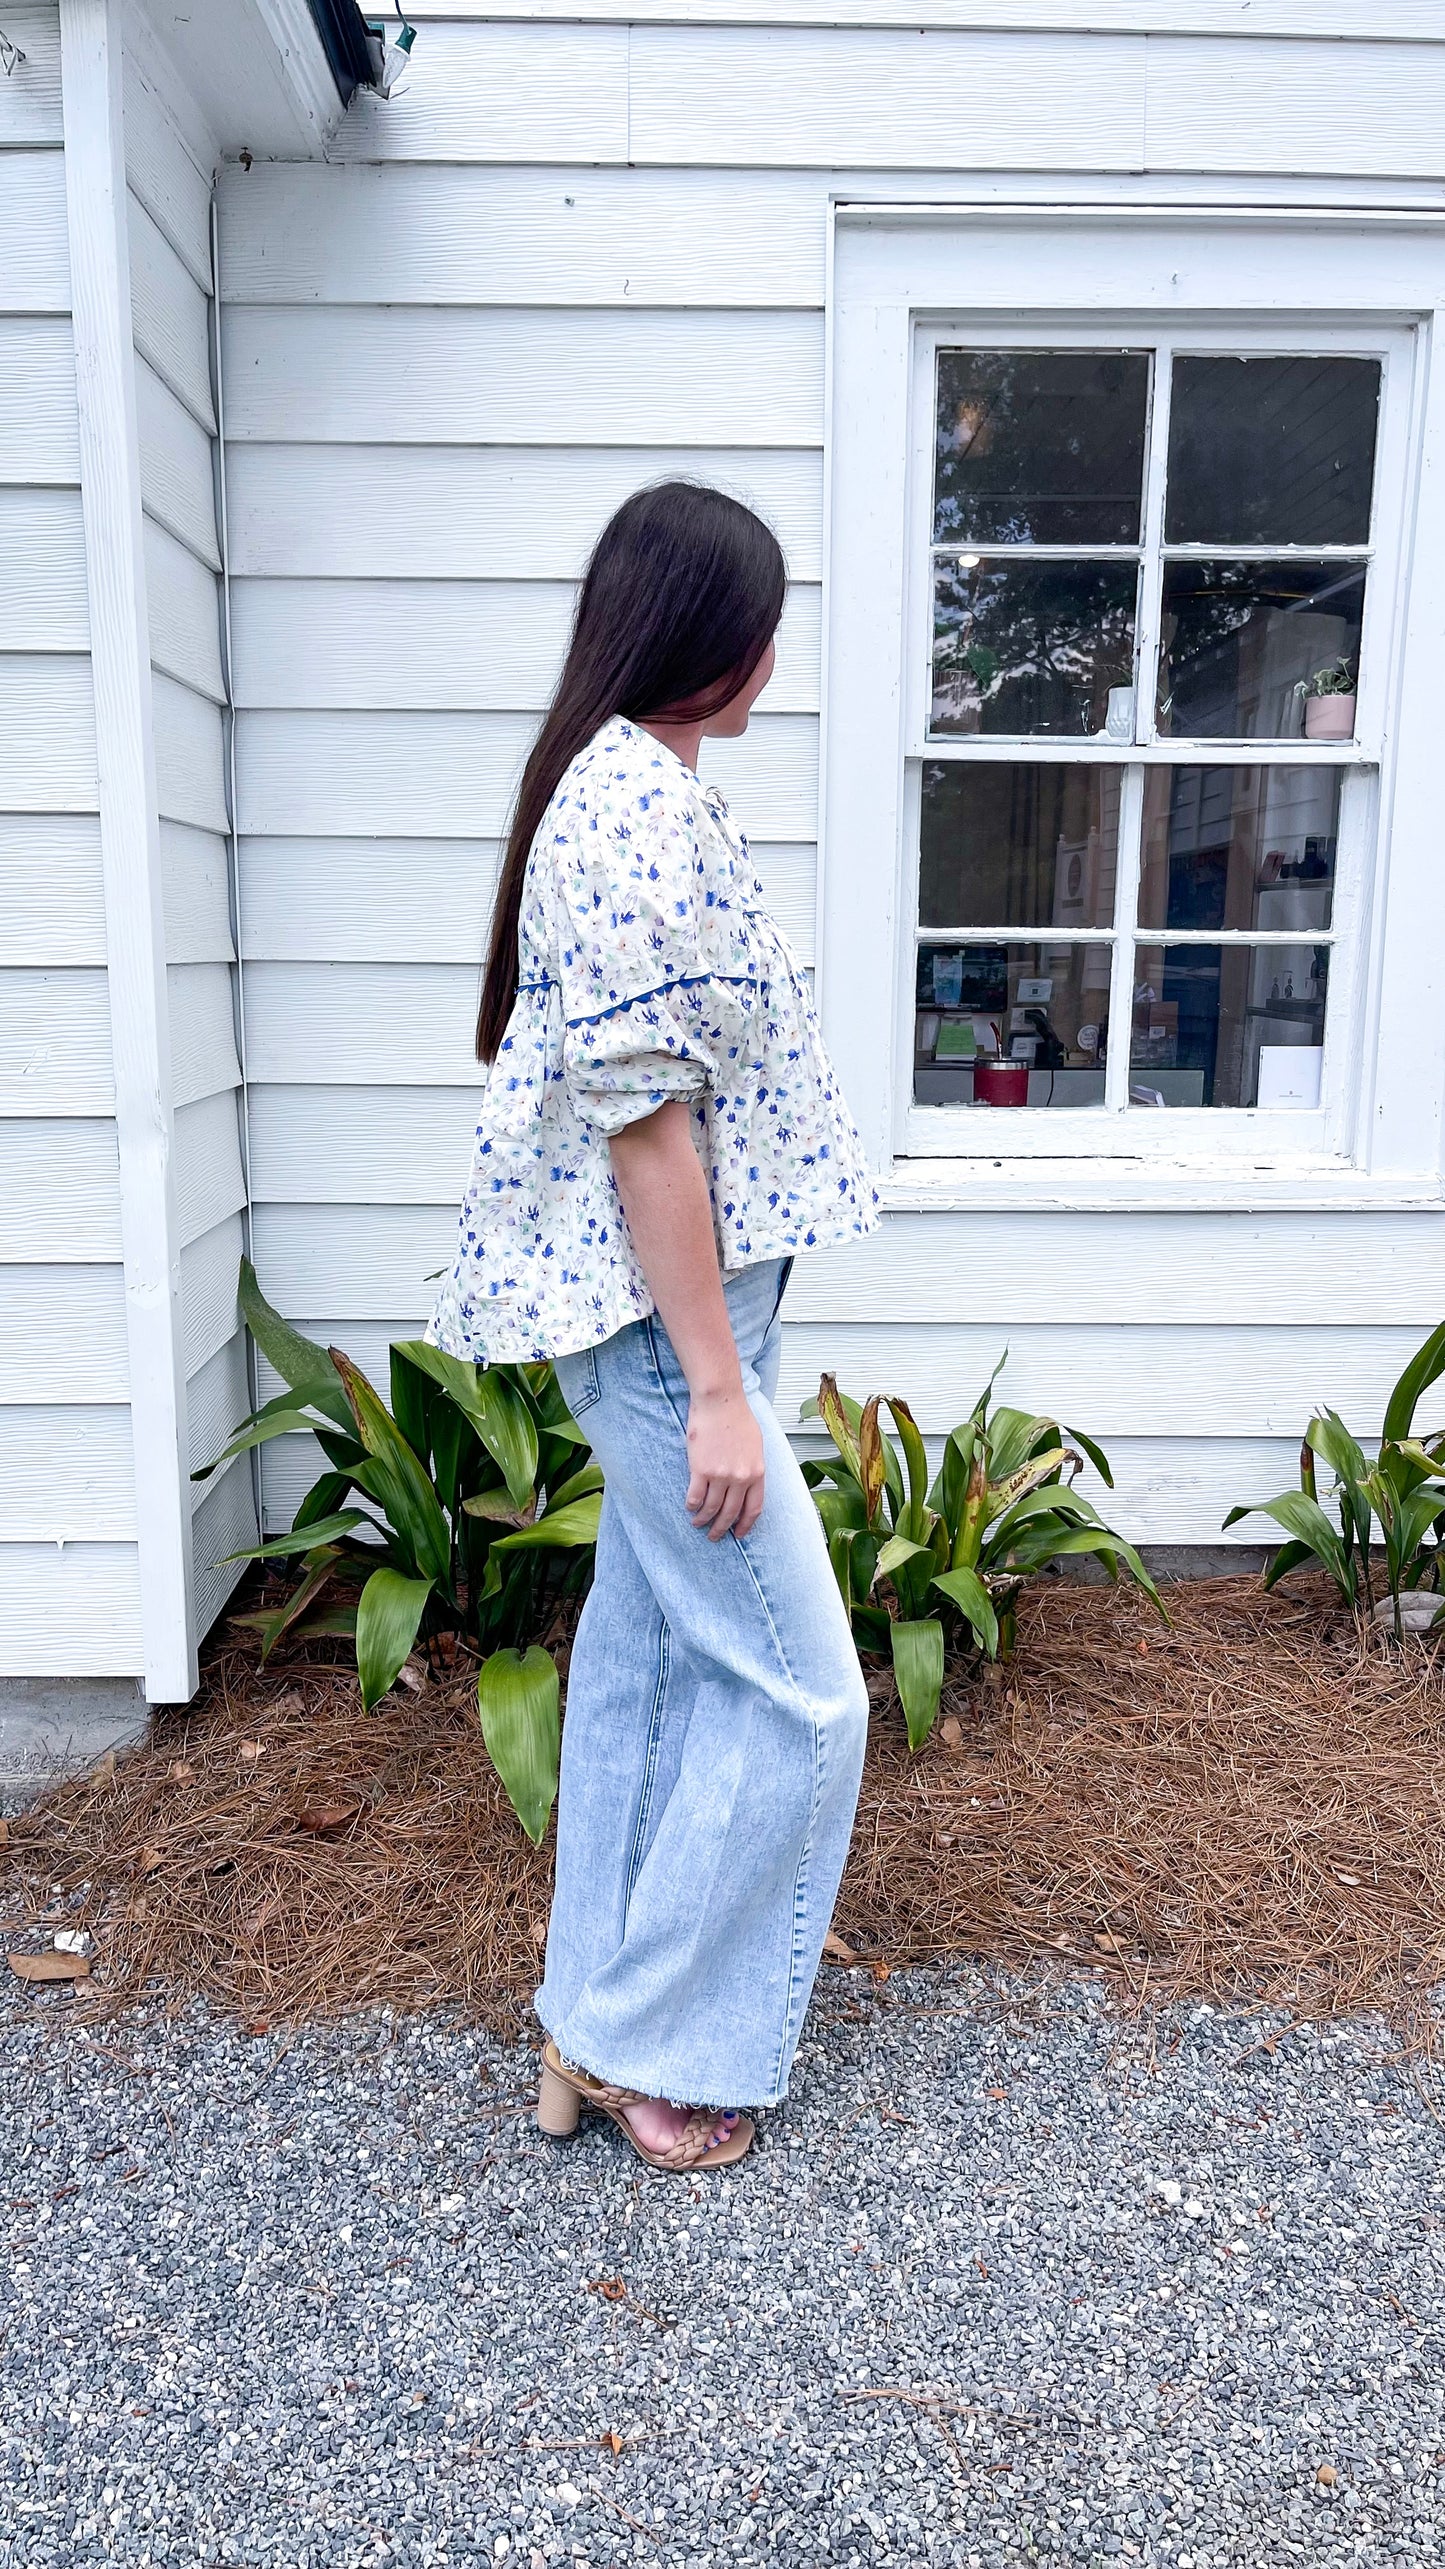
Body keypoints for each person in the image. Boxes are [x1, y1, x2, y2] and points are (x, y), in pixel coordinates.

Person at [430, 481, 877, 2173]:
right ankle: (646, 2039)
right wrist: (713, 1391)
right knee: (803, 1697)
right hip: (660, 1332)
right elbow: (647, 1136)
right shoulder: (623, 810)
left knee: (651, 1667)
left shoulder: (640, 788)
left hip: (679, 1320)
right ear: (708, 635)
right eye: (761, 623)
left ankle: (591, 2024)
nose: (773, 655)